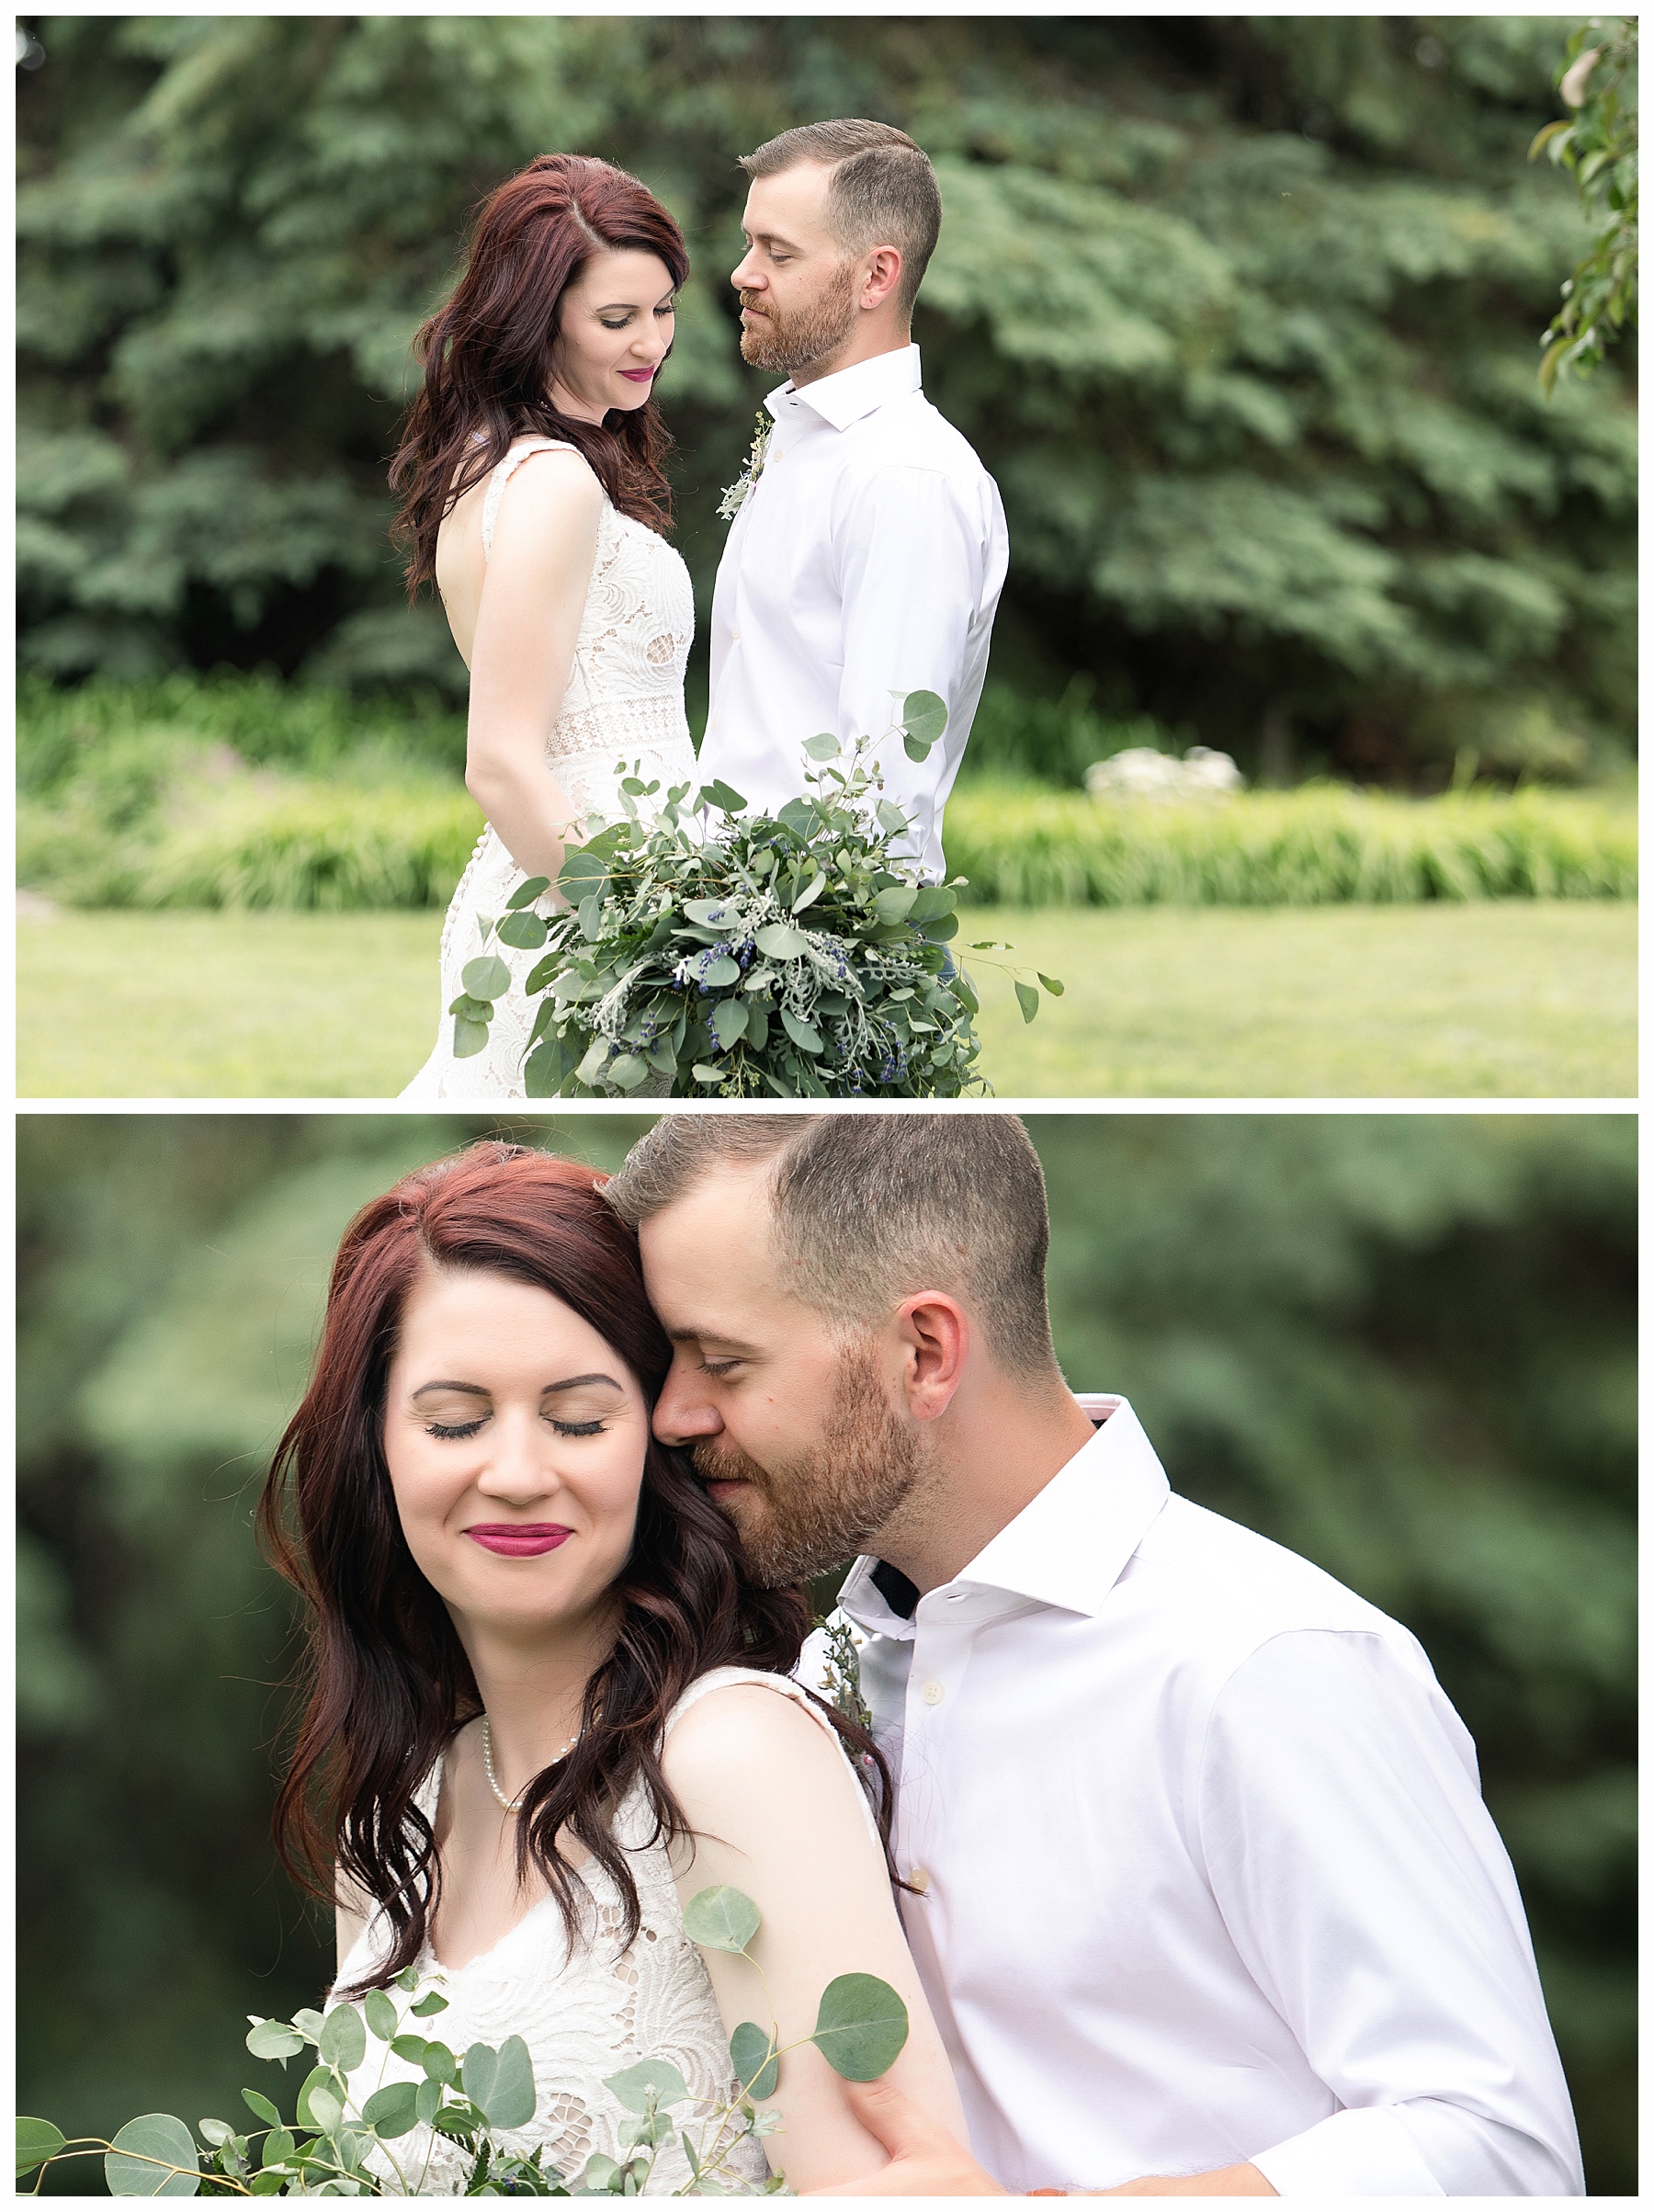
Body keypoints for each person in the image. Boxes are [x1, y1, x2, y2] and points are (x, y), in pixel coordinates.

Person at [606, 1114, 1586, 2199]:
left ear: (924, 1352)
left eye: (722, 1361)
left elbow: (1501, 2151)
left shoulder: (1264, 1661)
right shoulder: (814, 1677)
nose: (672, 1414)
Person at [256, 1142, 966, 2194]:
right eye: (454, 1419)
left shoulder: (733, 1757)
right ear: (377, 1448)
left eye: (578, 1418)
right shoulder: (395, 1834)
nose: (516, 1472)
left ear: (656, 1437)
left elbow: (907, 2189)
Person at [393, 157, 698, 1099]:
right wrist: (648, 944)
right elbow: (501, 760)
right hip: (590, 905)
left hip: (587, 884)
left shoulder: (493, 463)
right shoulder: (552, 484)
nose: (652, 342)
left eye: (663, 309)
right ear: (537, 317)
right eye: (617, 319)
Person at [697, 120, 1009, 882]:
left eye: (778, 252)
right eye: (749, 244)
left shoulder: (907, 478)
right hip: (728, 941)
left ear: (876, 276)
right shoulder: (803, 443)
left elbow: (883, 786)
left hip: (824, 955)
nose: (742, 273)